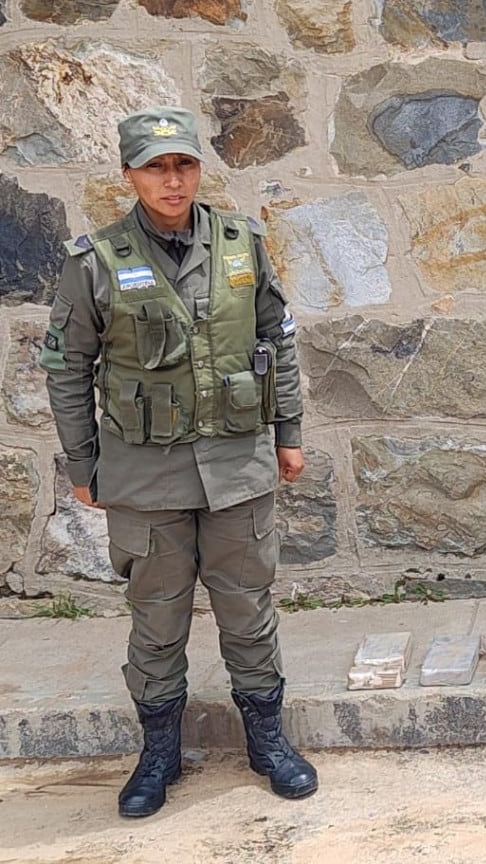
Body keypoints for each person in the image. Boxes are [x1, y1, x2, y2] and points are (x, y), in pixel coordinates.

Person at [40, 106, 318, 818]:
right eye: (157, 167)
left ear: (199, 168)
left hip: (237, 464)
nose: (172, 180)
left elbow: (276, 339)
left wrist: (288, 430)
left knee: (248, 611)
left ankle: (266, 740)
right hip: (144, 473)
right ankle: (159, 753)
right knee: (156, 618)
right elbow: (68, 368)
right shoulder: (95, 261)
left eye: (184, 165)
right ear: (130, 173)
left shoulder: (241, 242)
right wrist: (81, 462)